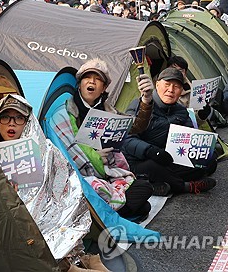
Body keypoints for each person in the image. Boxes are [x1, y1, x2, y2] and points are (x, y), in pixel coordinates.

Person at [0, 95, 95, 270]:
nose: (11, 123)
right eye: (5, 117)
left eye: (19, 118)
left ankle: (78, 263)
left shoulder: (47, 150)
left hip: (43, 220)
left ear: (28, 122)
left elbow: (65, 191)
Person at [55, 58, 155, 219]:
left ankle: (107, 212)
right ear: (79, 83)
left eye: (98, 79)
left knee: (145, 190)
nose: (92, 81)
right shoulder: (66, 112)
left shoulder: (108, 111)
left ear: (104, 88)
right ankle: (107, 213)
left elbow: (136, 127)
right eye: (87, 77)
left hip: (108, 173)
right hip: (83, 176)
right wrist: (94, 157)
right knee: (143, 204)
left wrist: (146, 100)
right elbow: (65, 150)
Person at [122, 68, 217, 195]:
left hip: (168, 157)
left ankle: (159, 185)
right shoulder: (140, 105)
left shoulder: (181, 111)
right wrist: (150, 151)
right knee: (153, 167)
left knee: (208, 162)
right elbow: (127, 138)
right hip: (141, 160)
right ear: (157, 84)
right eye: (167, 85)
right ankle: (186, 186)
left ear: (181, 91)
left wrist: (201, 117)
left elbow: (190, 137)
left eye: (176, 86)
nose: (171, 90)